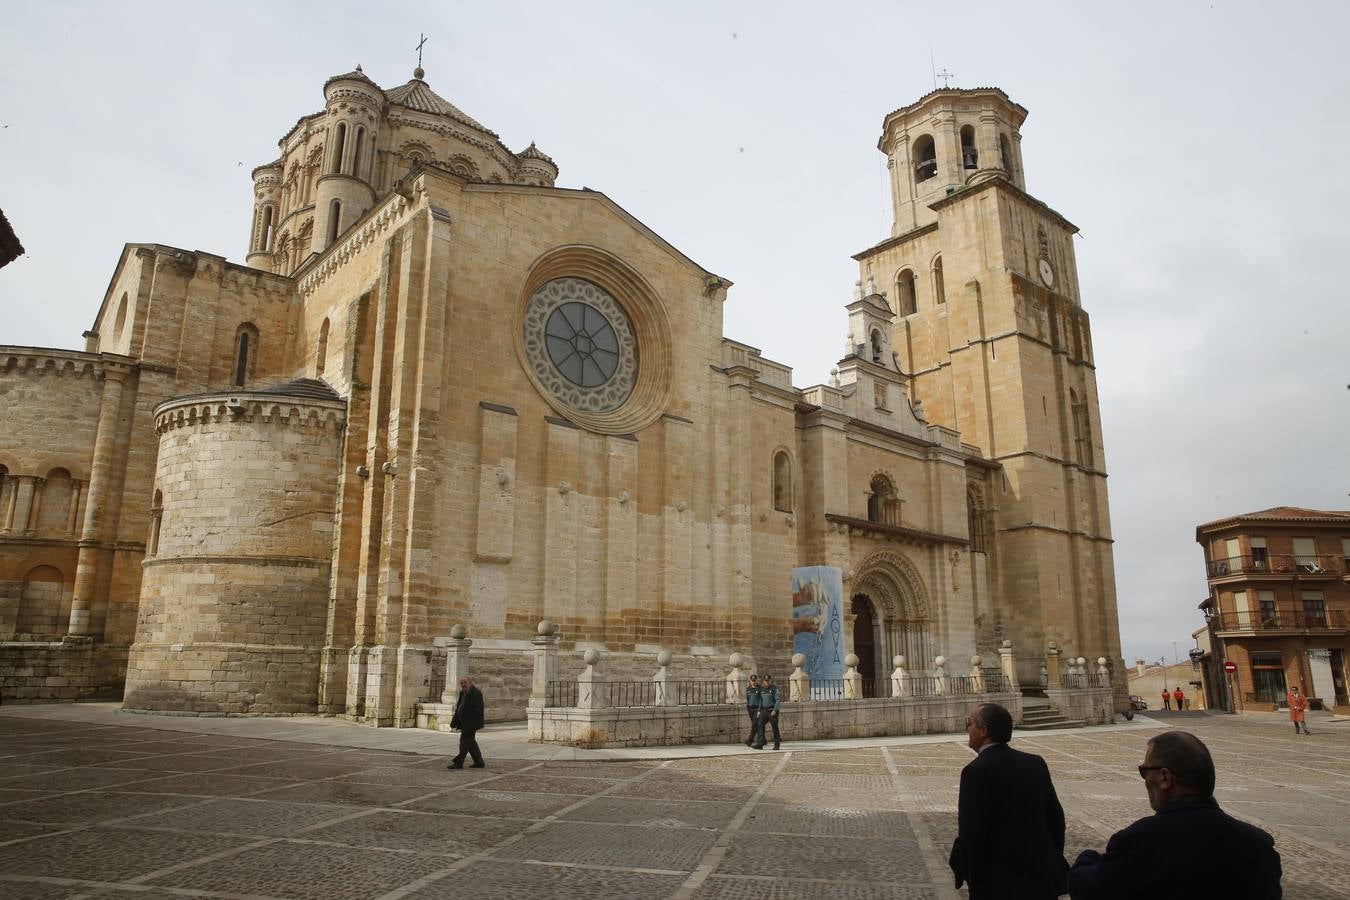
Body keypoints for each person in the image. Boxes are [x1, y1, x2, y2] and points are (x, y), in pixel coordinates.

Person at [1068, 731, 1281, 899]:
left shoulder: (1142, 841)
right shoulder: (1259, 845)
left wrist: (1087, 857)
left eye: (1145, 771)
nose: (1144, 779)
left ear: (1165, 778)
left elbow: (1088, 889)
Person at [948, 702, 1068, 899]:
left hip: (999, 883)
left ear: (984, 731)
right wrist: (1050, 857)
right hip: (1042, 879)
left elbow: (972, 835)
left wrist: (974, 880)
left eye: (970, 724)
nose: (968, 729)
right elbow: (1056, 819)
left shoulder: (976, 772)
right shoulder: (1035, 763)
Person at [446, 676, 485, 769]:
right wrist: (454, 722)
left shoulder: (476, 693)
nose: (463, 685)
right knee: (471, 744)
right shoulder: (462, 693)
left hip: (471, 724)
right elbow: (459, 708)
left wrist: (472, 724)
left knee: (464, 743)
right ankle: (479, 762)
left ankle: (458, 763)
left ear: (470, 683)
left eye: (465, 683)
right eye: (461, 683)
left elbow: (479, 710)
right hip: (464, 723)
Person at [756, 673, 782, 750]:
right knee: (760, 726)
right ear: (763, 681)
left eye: (768, 680)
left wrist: (775, 710)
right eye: (765, 680)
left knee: (775, 728)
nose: (767, 682)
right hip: (764, 711)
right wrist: (759, 711)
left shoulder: (775, 689)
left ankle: (777, 744)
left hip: (772, 710)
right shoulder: (762, 689)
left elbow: (778, 700)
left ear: (771, 680)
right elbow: (760, 700)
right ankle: (760, 743)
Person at [744, 674, 763, 747]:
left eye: (754, 680)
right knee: (756, 724)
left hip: (756, 709)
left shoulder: (759, 689)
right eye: (752, 681)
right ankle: (761, 740)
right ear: (750, 681)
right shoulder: (748, 689)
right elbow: (747, 699)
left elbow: (761, 700)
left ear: (756, 680)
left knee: (754, 724)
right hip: (750, 709)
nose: (753, 682)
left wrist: (759, 710)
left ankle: (750, 740)